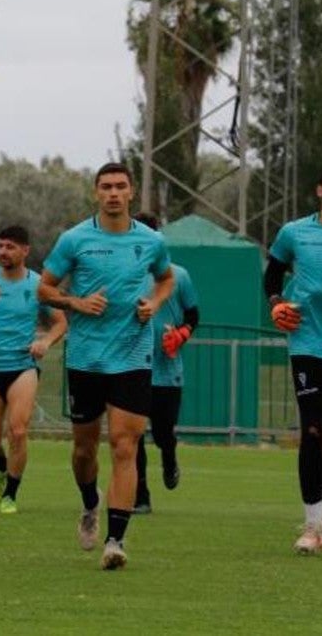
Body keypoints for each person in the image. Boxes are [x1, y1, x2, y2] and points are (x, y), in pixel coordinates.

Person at [38, 162, 174, 570]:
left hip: (133, 355)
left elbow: (165, 280)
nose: (113, 193)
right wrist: (75, 303)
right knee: (83, 450)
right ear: (96, 193)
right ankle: (89, 503)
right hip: (86, 358)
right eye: (106, 187)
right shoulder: (75, 239)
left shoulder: (151, 241)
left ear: (131, 192)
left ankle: (115, 540)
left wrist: (154, 302)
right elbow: (43, 287)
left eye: (120, 186)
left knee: (124, 445)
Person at [0, 225, 66, 514]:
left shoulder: (38, 286)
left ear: (25, 251)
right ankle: (2, 467)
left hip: (23, 366)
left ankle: (10, 493)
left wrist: (45, 342)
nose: (3, 252)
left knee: (19, 430)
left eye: (10, 247)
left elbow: (60, 322)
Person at [263, 171, 322, 554]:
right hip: (307, 341)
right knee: (313, 431)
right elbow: (271, 278)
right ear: (321, 188)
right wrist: (276, 305)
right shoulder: (294, 233)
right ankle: (310, 525)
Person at [132, 213, 199, 514]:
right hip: (131, 366)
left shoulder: (178, 275)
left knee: (161, 434)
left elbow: (193, 315)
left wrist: (181, 335)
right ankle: (140, 496)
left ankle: (169, 456)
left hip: (166, 371)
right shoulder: (126, 274)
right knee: (131, 436)